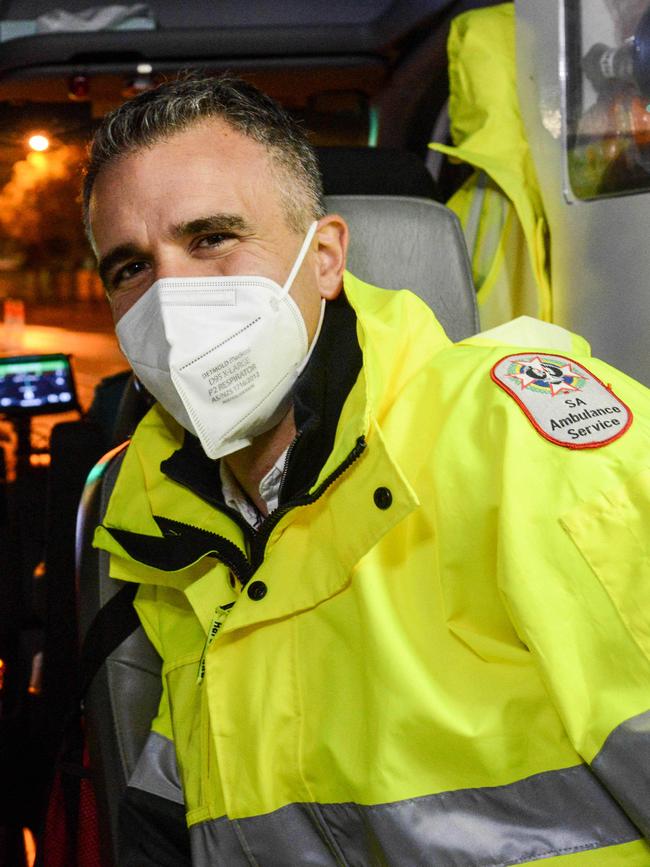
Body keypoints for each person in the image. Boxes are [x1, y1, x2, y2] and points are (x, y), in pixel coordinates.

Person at [85, 74, 650, 866]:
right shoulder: (166, 538)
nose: (171, 297)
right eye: (129, 268)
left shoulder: (523, 440)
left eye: (211, 237)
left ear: (324, 258)